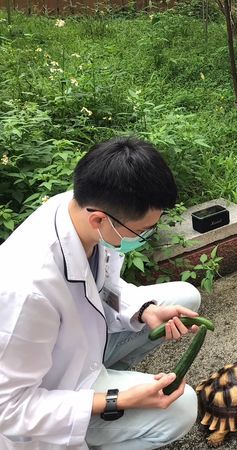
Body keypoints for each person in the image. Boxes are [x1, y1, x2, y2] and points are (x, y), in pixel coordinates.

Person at [0, 137, 203, 449]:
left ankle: (115, 378)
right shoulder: (27, 291)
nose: (144, 238)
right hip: (55, 397)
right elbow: (9, 410)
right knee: (182, 407)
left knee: (185, 297)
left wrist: (143, 310)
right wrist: (116, 400)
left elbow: (102, 289)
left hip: (82, 354)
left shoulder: (78, 212)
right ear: (98, 219)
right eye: (141, 231)